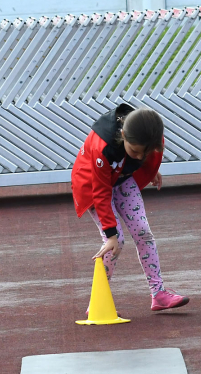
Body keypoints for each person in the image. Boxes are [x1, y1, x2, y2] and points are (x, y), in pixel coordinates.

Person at [71, 105, 188, 313]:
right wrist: (110, 234)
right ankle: (98, 302)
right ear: (123, 134)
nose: (137, 157)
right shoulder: (103, 146)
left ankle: (158, 294)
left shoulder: (149, 135)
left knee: (143, 232)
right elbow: (101, 193)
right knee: (116, 242)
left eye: (143, 153)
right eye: (134, 151)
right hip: (93, 184)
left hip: (121, 179)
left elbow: (147, 153)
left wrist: (150, 169)